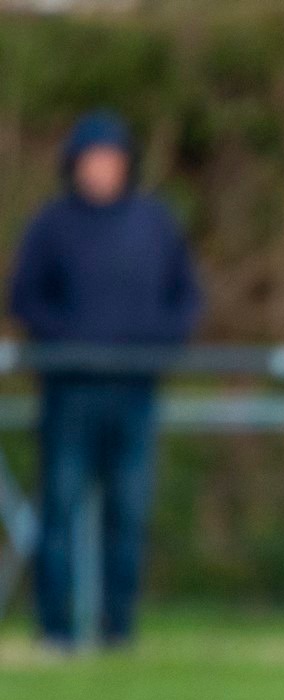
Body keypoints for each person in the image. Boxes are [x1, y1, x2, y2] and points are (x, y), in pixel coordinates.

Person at [7, 109, 202, 650]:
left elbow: (185, 297)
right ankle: (55, 630)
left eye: (111, 159)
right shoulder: (52, 225)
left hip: (134, 392)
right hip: (68, 392)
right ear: (75, 164)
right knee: (60, 510)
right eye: (93, 159)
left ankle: (119, 631)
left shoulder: (154, 222)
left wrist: (157, 342)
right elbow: (24, 298)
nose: (102, 170)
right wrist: (69, 342)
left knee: (129, 512)